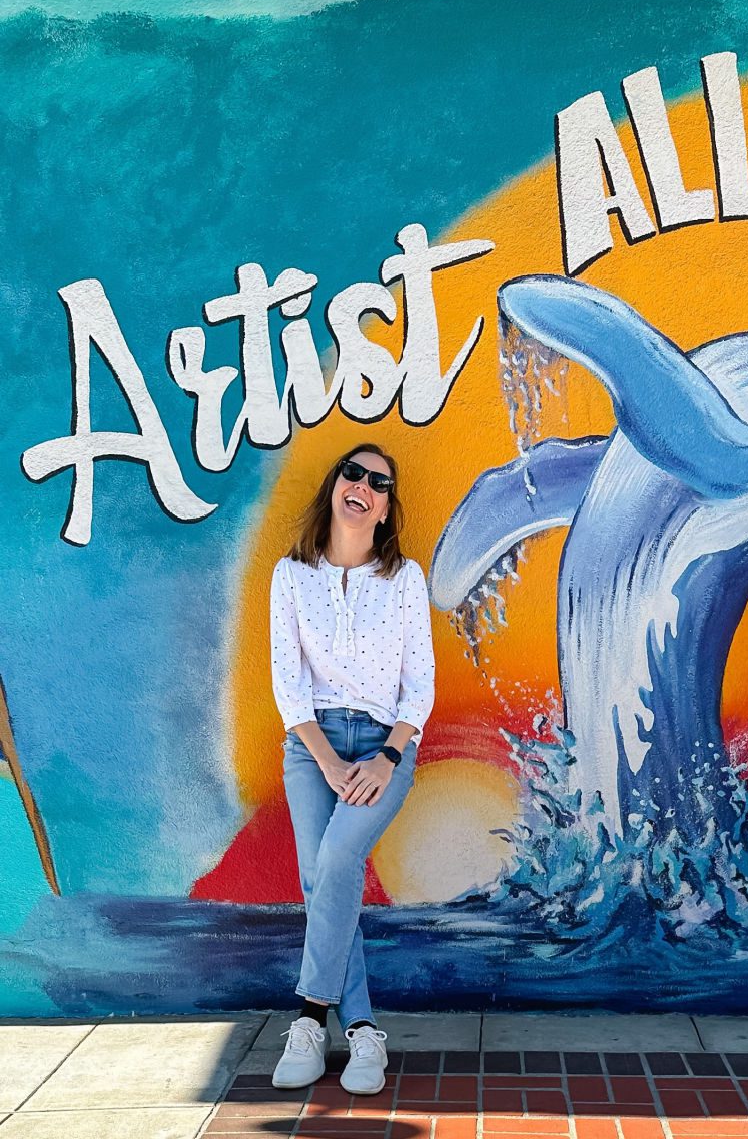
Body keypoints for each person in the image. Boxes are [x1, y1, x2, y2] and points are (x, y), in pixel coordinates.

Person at [268, 444, 435, 1093]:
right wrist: (329, 760)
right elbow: (288, 682)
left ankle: (311, 1014)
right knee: (324, 884)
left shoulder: (404, 579)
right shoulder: (292, 575)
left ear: (386, 506)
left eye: (379, 482)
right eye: (353, 473)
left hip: (384, 744)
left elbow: (418, 686)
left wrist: (387, 757)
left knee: (335, 865)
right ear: (335, 486)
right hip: (310, 748)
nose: (363, 485)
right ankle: (363, 1033)